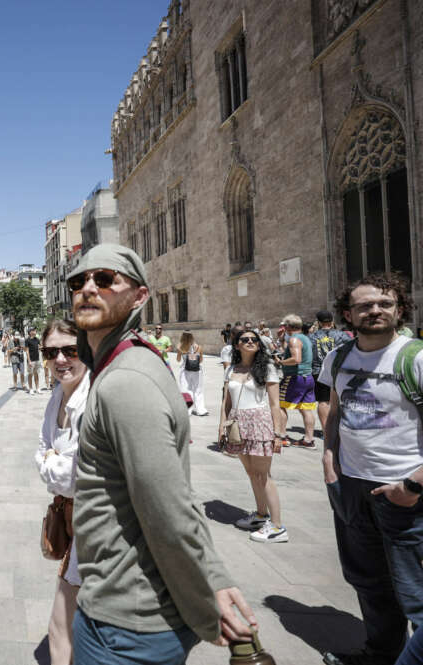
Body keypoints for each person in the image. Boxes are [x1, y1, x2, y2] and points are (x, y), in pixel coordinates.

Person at [67, 244, 255, 663]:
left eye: (105, 279)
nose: (87, 289)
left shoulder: (127, 381)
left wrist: (209, 595)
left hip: (126, 625)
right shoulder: (120, 366)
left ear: (139, 296)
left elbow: (166, 507)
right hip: (123, 612)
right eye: (78, 281)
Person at [319, 272, 423, 665]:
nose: (375, 310)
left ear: (400, 309)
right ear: (348, 315)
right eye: (364, 305)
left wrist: (414, 486)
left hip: (407, 496)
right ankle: (382, 654)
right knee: (368, 582)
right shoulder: (339, 357)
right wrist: (329, 456)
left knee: (418, 593)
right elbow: (334, 409)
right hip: (351, 489)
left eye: (384, 303)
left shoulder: (420, 358)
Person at [34, 318, 89, 665]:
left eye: (70, 350)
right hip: (72, 519)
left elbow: (72, 476)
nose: (60, 359)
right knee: (68, 622)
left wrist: (52, 462)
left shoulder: (93, 400)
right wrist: (54, 461)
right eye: (51, 352)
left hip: (95, 525)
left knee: (61, 624)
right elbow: (41, 450)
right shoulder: (57, 395)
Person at [219, 329, 287, 543]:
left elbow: (275, 404)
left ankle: (277, 527)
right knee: (251, 472)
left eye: (254, 339)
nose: (250, 342)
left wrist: (277, 433)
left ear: (259, 344)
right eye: (244, 339)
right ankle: (260, 515)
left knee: (263, 474)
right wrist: (221, 425)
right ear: (237, 345)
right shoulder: (231, 368)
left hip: (259, 422)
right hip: (237, 424)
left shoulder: (267, 367)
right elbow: (226, 401)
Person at [274, 314, 318, 448]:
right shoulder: (305, 338)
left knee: (280, 405)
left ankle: (282, 436)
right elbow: (290, 351)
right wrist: (281, 340)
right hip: (307, 377)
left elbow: (296, 359)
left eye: (284, 325)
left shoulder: (294, 339)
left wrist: (281, 362)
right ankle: (308, 440)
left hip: (294, 377)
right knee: (305, 409)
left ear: (288, 326)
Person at [310, 310, 351, 432]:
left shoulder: (312, 337)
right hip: (339, 371)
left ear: (318, 322)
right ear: (332, 321)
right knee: (340, 401)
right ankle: (340, 429)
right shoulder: (342, 335)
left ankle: (326, 431)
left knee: (323, 402)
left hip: (318, 371)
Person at [176, 331, 209, 416]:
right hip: (197, 370)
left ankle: (188, 410)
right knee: (198, 389)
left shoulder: (180, 347)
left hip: (185, 370)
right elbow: (201, 360)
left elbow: (178, 360)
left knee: (186, 389)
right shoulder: (198, 347)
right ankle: (201, 410)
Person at [26, 327, 43, 394]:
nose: (35, 331)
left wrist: (42, 347)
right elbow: (27, 351)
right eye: (34, 330)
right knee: (30, 374)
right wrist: (29, 361)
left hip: (37, 359)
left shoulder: (37, 339)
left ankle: (37, 388)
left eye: (35, 330)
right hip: (31, 360)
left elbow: (40, 346)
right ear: (30, 332)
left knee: (36, 374)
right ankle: (30, 389)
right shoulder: (27, 340)